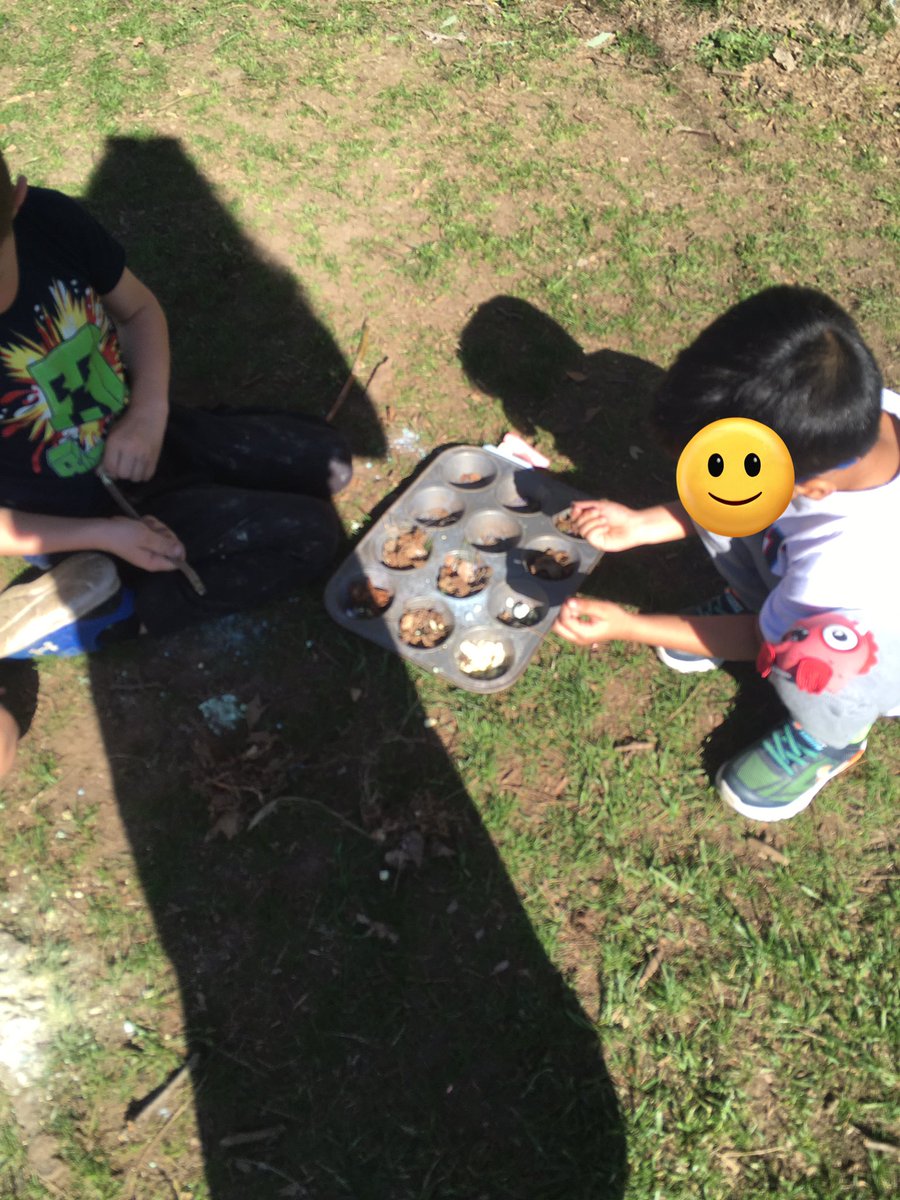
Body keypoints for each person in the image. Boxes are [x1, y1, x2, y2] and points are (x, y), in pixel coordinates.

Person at [0, 151, 352, 773]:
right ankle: (114, 609)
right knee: (311, 535)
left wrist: (150, 411)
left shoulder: (48, 219)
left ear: (18, 202)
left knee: (330, 462)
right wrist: (108, 534)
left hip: (143, 432)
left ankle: (184, 481)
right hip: (79, 512)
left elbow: (138, 311)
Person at [554, 286, 900, 822]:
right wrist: (644, 525)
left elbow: (762, 638)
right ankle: (755, 595)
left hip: (866, 651)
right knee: (732, 507)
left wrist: (630, 626)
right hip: (833, 588)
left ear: (810, 491)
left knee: (822, 670)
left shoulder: (844, 579)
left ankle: (833, 738)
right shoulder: (853, 414)